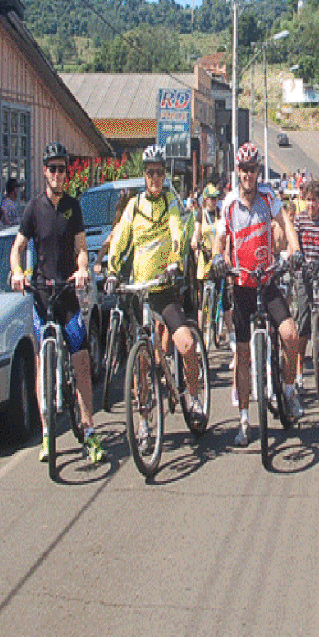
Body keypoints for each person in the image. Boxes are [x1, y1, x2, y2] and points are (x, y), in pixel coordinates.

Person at [10, 141, 106, 465]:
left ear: (67, 173)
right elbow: (18, 247)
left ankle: (90, 432)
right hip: (41, 295)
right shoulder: (32, 208)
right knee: (42, 362)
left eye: (62, 169)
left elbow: (81, 247)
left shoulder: (73, 206)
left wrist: (81, 270)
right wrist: (17, 272)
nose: (57, 174)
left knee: (80, 360)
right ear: (44, 172)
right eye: (51, 168)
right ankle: (48, 432)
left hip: (66, 294)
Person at [105, 146, 205, 438]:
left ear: (165, 175)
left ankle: (194, 396)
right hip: (140, 293)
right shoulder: (134, 207)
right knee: (142, 361)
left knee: (186, 345)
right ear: (144, 174)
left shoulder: (170, 203)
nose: (155, 178)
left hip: (164, 288)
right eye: (150, 172)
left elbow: (177, 230)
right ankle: (144, 419)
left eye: (160, 172)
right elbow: (120, 240)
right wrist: (112, 271)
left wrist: (175, 259)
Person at [212, 143, 303, 447]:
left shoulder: (268, 196)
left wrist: (295, 250)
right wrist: (217, 258)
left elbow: (286, 224)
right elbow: (220, 238)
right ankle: (244, 422)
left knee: (290, 335)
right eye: (243, 169)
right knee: (241, 355)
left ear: (258, 171)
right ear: (237, 171)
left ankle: (289, 392)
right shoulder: (228, 204)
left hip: (267, 279)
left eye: (252, 169)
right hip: (242, 285)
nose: (247, 174)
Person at [293, 178, 319, 398]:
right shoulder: (299, 221)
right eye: (308, 200)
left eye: (315, 200)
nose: (311, 204)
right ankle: (299, 370)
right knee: (303, 321)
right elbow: (294, 246)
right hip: (304, 271)